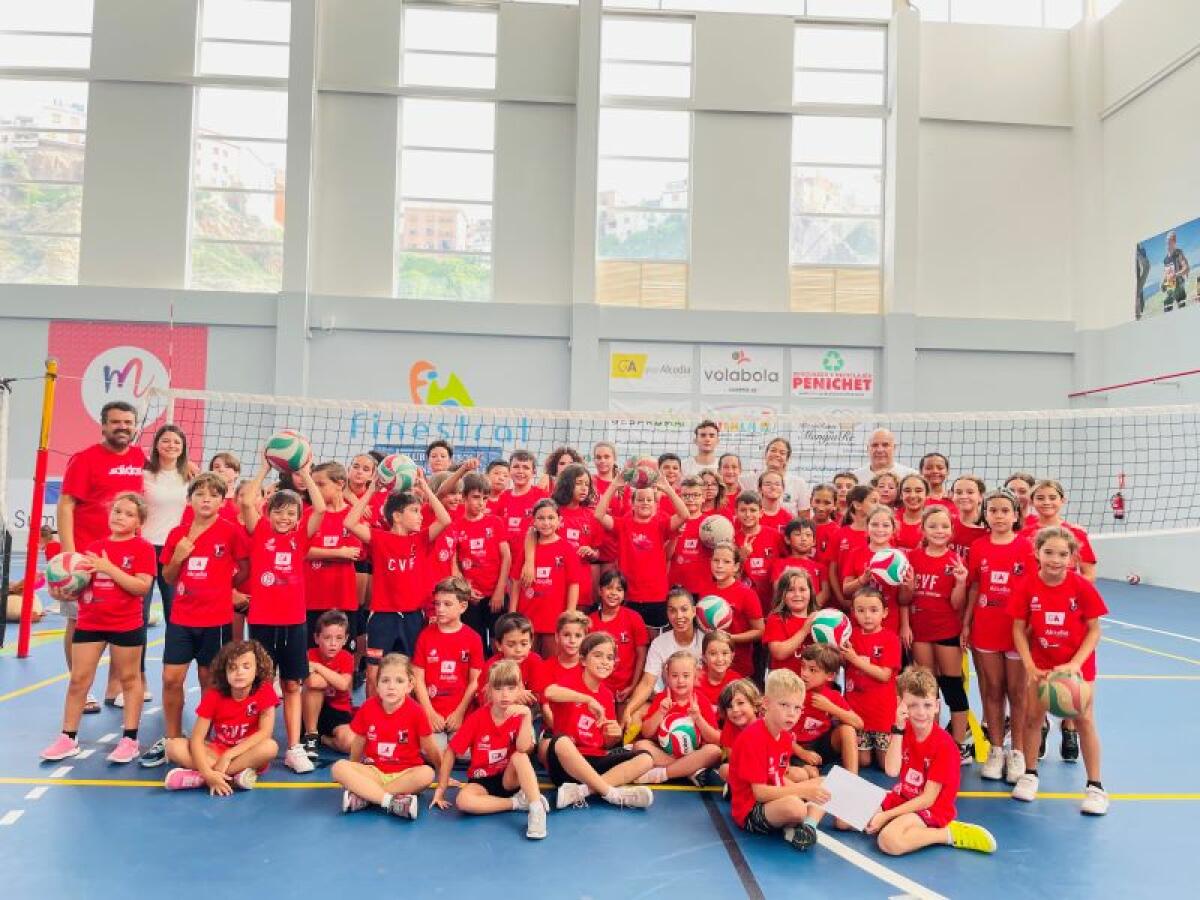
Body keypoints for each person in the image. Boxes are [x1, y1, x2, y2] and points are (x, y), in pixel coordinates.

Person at [141, 473, 250, 768]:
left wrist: (227, 588)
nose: (206, 499)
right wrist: (177, 556)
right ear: (190, 499)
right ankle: (173, 737)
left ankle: (209, 739)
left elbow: (244, 567)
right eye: (200, 494)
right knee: (170, 679)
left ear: (221, 500)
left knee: (209, 682)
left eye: (213, 495)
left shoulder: (230, 532)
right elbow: (167, 577)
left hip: (215, 620)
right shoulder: (178, 534)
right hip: (181, 619)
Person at [40, 492, 156, 764]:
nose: (120, 517)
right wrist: (64, 589)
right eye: (117, 511)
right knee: (79, 679)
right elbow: (82, 585)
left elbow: (141, 586)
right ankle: (68, 737)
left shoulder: (143, 548)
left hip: (125, 623)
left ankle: (129, 739)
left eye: (129, 514)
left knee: (129, 680)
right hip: (91, 620)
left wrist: (108, 567)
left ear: (139, 521)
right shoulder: (94, 546)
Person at [1009, 526, 1108, 815]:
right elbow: (1017, 628)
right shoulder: (1028, 585)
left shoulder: (1081, 586)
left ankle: (1095, 787)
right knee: (1032, 719)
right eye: (1049, 552)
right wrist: (1028, 664)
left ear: (1072, 557)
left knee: (1085, 721)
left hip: (1077, 666)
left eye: (1063, 554)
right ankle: (1029, 774)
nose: (1055, 559)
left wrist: (1075, 664)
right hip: (1042, 665)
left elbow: (1094, 630)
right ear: (1037, 553)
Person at [58, 401, 148, 712]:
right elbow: (66, 506)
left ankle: (114, 688)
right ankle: (82, 686)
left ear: (135, 426)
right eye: (116, 422)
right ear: (103, 425)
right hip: (86, 558)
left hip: (124, 559)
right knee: (78, 619)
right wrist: (69, 555)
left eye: (128, 422)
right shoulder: (84, 459)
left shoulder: (139, 457)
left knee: (120, 624)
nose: (122, 427)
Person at [241, 456, 326, 774]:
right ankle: (253, 745)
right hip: (262, 620)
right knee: (261, 686)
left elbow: (320, 510)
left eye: (291, 513)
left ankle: (293, 747)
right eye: (279, 511)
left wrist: (305, 474)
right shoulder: (260, 531)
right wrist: (265, 467)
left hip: (294, 621)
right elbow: (249, 500)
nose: (285, 517)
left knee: (292, 685)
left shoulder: (300, 537)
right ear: (269, 513)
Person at [864, 666, 996, 855]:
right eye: (912, 705)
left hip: (931, 807)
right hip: (905, 797)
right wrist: (898, 728)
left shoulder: (944, 745)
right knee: (845, 821)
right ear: (900, 704)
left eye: (927, 705)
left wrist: (887, 815)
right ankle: (900, 822)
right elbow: (892, 771)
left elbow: (927, 799)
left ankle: (947, 833)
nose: (920, 712)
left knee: (888, 841)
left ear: (937, 706)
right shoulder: (904, 730)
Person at [345, 469, 451, 696]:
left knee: (411, 674)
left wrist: (426, 489)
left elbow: (445, 519)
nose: (420, 516)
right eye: (414, 511)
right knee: (374, 675)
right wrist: (372, 490)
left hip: (413, 616)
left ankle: (405, 723)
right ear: (397, 516)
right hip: (383, 617)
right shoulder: (380, 537)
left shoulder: (421, 539)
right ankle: (371, 724)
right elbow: (350, 521)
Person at [431, 660, 548, 840]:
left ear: (519, 690)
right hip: (482, 780)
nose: (505, 695)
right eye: (499, 688)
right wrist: (441, 787)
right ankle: (516, 803)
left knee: (520, 756)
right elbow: (451, 751)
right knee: (463, 801)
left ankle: (535, 807)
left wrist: (526, 715)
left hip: (509, 779)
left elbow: (523, 748)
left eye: (510, 688)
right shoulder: (477, 718)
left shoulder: (520, 715)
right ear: (489, 690)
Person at [540, 632, 655, 810]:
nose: (604, 661)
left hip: (593, 761)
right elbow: (549, 692)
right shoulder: (570, 681)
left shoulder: (607, 695)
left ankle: (583, 791)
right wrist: (588, 699)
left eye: (609, 658)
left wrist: (613, 735)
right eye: (598, 655)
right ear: (583, 660)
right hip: (566, 764)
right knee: (560, 742)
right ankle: (613, 794)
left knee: (646, 759)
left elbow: (603, 743)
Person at [965, 489, 1033, 783]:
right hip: (985, 627)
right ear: (986, 514)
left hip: (1017, 631)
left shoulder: (1028, 548)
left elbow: (1034, 591)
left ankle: (1017, 752)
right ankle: (995, 750)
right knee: (991, 689)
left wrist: (1031, 629)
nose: (999, 516)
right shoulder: (978, 547)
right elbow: (974, 588)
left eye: (1005, 510)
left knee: (1017, 693)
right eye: (993, 510)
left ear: (1016, 515)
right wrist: (966, 623)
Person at [727, 668, 831, 852]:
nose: (792, 713)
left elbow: (778, 777)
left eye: (797, 707)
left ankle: (808, 828)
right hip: (750, 810)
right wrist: (803, 791)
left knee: (827, 783)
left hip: (773, 797)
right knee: (796, 807)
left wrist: (805, 790)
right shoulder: (753, 737)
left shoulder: (785, 737)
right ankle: (796, 823)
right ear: (766, 703)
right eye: (784, 705)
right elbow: (759, 794)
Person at [332, 653, 442, 818]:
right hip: (374, 771)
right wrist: (353, 772)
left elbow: (430, 747)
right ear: (376, 685)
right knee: (339, 767)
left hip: (406, 773)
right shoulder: (368, 707)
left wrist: (442, 775)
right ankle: (390, 801)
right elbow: (358, 742)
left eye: (399, 681)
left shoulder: (417, 712)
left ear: (410, 685)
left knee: (427, 774)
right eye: (385, 680)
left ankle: (366, 796)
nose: (391, 686)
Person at [163, 639, 280, 794]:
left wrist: (228, 756)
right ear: (224, 671)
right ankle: (230, 778)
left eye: (246, 666)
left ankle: (200, 779)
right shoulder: (214, 695)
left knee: (270, 747)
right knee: (173, 746)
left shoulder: (264, 690)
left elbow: (265, 733)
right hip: (217, 752)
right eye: (232, 667)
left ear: (257, 669)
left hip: (247, 753)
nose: (239, 672)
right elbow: (197, 739)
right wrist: (208, 773)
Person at [903, 507, 972, 762]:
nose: (939, 531)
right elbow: (905, 598)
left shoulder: (955, 561)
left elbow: (957, 604)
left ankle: (958, 742)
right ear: (923, 530)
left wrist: (962, 582)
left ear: (952, 532)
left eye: (944, 527)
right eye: (933, 526)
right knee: (927, 689)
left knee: (952, 686)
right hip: (920, 630)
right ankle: (928, 740)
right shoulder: (913, 557)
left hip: (946, 630)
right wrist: (905, 624)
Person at [594, 467, 687, 630]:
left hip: (656, 595)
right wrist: (614, 485)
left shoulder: (660, 525)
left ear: (655, 504)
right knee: (630, 639)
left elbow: (684, 515)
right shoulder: (623, 524)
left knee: (654, 639)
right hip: (629, 595)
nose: (645, 503)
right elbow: (599, 515)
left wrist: (667, 488)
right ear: (632, 503)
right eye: (640, 500)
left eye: (649, 500)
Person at [140, 424, 191, 689]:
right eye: (166, 440)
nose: (171, 445)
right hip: (146, 548)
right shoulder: (143, 475)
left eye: (177, 442)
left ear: (183, 448)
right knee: (139, 615)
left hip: (175, 551)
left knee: (176, 616)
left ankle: (173, 678)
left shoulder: (189, 477)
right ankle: (139, 678)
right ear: (157, 444)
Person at [413, 576, 484, 747]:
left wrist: (459, 713)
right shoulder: (425, 636)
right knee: (435, 751)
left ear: (463, 606)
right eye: (437, 604)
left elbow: (476, 681)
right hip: (432, 712)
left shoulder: (473, 638)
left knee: (468, 752)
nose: (440, 609)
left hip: (460, 714)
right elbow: (417, 679)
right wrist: (429, 713)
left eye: (447, 604)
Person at [632, 651, 722, 785]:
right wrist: (660, 712)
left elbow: (715, 739)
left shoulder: (701, 701)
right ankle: (689, 771)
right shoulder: (661, 698)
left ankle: (662, 774)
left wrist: (698, 719)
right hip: (666, 754)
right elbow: (646, 733)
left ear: (695, 676)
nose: (680, 681)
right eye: (674, 676)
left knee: (714, 752)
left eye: (686, 676)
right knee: (640, 746)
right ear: (667, 677)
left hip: (694, 754)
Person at [621, 587, 703, 731]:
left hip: (697, 703)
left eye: (684, 609)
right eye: (672, 610)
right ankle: (628, 748)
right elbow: (647, 683)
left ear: (694, 611)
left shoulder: (705, 640)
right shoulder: (659, 643)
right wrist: (629, 709)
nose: (678, 616)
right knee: (635, 714)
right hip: (666, 704)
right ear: (667, 613)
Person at [842, 586, 901, 769]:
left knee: (887, 766)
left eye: (873, 610)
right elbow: (842, 666)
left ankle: (899, 742)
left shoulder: (890, 639)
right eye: (861, 610)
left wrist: (854, 659)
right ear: (853, 613)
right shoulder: (849, 638)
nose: (867, 616)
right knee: (863, 762)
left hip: (882, 713)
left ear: (885, 613)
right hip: (858, 712)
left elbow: (885, 675)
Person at [452, 472, 511, 647]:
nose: (481, 503)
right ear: (463, 497)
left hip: (495, 594)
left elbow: (506, 557)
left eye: (485, 498)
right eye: (476, 497)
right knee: (474, 643)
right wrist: (466, 589)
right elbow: (453, 561)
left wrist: (500, 591)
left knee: (498, 643)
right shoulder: (455, 525)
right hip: (470, 596)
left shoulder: (495, 522)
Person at [792, 645, 862, 781]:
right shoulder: (792, 691)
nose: (804, 673)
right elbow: (776, 731)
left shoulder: (832, 696)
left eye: (812, 670)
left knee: (847, 729)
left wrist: (831, 708)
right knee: (811, 774)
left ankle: (852, 781)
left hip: (821, 745)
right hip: (795, 746)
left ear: (830, 676)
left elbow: (858, 723)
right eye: (803, 666)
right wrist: (802, 753)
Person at [700, 541, 764, 679]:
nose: (720, 565)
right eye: (716, 560)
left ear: (736, 567)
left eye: (726, 561)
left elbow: (760, 631)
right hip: (712, 667)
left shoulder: (747, 593)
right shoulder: (705, 592)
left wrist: (730, 638)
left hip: (739, 666)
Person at [587, 571, 648, 715]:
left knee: (623, 731)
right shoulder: (590, 622)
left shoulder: (634, 618)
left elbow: (641, 655)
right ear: (600, 591)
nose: (614, 593)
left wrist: (633, 686)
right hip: (598, 690)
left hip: (625, 690)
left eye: (619, 589)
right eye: (609, 588)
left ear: (624, 595)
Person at [843, 505, 907, 632]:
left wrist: (908, 585)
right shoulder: (856, 553)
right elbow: (846, 591)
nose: (880, 529)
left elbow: (904, 600)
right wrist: (862, 580)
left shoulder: (899, 557)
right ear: (867, 527)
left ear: (894, 529)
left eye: (886, 525)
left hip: (890, 622)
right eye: (875, 524)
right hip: (861, 622)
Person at [303, 610, 355, 755]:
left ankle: (324, 739)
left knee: (350, 744)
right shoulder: (310, 654)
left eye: (339, 638)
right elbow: (312, 682)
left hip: (338, 711)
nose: (333, 644)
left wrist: (318, 667)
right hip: (310, 712)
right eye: (327, 638)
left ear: (346, 639)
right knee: (314, 688)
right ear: (316, 638)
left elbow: (344, 685)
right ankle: (311, 735)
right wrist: (335, 680)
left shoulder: (346, 657)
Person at [732, 490, 786, 614]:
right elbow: (730, 575)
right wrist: (741, 557)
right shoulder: (732, 539)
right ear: (736, 513)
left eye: (752, 510)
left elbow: (786, 563)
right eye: (743, 510)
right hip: (745, 603)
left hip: (772, 602)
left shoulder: (775, 536)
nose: (748, 514)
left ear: (761, 513)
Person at [476, 612, 543, 709]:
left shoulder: (535, 661)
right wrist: (515, 696)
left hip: (528, 712)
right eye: (511, 645)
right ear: (499, 645)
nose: (518, 650)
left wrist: (525, 697)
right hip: (495, 714)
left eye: (524, 644)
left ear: (531, 643)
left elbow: (540, 696)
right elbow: (483, 700)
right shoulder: (492, 666)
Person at [535, 610, 588, 733]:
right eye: (567, 635)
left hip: (584, 731)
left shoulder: (589, 668)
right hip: (554, 732)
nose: (572, 640)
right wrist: (565, 735)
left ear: (585, 639)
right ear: (557, 637)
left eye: (578, 636)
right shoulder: (545, 667)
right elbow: (545, 708)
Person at [763, 569, 817, 677]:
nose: (797, 594)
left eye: (802, 589)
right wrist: (804, 630)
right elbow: (779, 653)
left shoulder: (820, 619)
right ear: (782, 594)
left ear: (810, 592)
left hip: (814, 686)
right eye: (791, 590)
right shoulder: (776, 619)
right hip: (785, 686)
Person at [739, 438, 812, 518]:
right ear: (766, 454)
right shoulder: (748, 480)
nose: (777, 454)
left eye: (782, 453)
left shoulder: (798, 483)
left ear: (787, 459)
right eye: (773, 450)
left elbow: (804, 517)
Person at [667, 476, 711, 598]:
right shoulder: (671, 521)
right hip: (676, 588)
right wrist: (674, 536)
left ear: (703, 498)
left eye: (696, 495)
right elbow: (666, 556)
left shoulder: (711, 524)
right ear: (679, 497)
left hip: (703, 589)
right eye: (686, 496)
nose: (690, 499)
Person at [769, 519, 828, 606]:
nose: (803, 539)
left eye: (808, 535)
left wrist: (810, 609)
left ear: (814, 541)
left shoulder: (821, 567)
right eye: (798, 534)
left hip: (812, 613)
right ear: (787, 539)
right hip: (787, 613)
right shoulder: (779, 564)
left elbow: (825, 593)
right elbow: (779, 589)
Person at [717, 679, 761, 784]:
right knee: (725, 769)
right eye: (730, 706)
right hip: (745, 769)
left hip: (768, 769)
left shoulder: (766, 725)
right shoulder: (729, 726)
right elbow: (734, 761)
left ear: (754, 705)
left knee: (799, 774)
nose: (735, 710)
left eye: (740, 703)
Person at [851, 429, 917, 486]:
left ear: (894, 447)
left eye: (885, 445)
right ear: (868, 448)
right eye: (875, 445)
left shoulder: (911, 476)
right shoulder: (853, 478)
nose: (880, 450)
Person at [894, 474, 928, 550]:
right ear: (901, 495)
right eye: (907, 491)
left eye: (918, 491)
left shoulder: (935, 521)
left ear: (927, 495)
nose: (912, 495)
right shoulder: (890, 519)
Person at [1161, 230, 1190, 313]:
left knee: (1182, 311)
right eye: (1168, 239)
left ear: (1175, 242)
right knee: (1167, 309)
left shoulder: (1179, 253)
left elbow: (1186, 268)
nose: (1168, 242)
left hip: (1179, 287)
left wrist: (1176, 274)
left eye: (1171, 240)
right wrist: (1163, 283)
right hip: (1170, 287)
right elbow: (1166, 273)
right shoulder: (1165, 259)